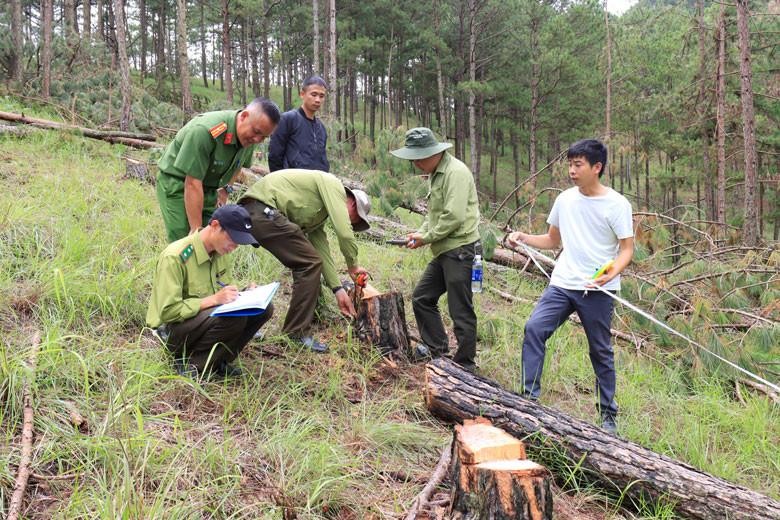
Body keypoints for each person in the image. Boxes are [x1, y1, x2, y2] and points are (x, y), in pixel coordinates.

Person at [507, 139, 634, 434]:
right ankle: (529, 400)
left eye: (578, 165)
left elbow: (627, 250)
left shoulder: (617, 205)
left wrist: (611, 272)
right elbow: (553, 241)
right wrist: (524, 237)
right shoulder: (565, 200)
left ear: (597, 167)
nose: (572, 171)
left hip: (597, 290)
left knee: (600, 350)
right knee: (534, 329)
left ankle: (608, 417)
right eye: (570, 164)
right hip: (562, 284)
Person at [238, 169, 371, 352]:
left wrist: (338, 290)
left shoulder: (318, 213)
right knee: (308, 263)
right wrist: (353, 265)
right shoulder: (334, 186)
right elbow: (344, 233)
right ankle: (296, 333)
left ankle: (243, 325)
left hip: (260, 211)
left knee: (309, 261)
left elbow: (321, 252)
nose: (351, 223)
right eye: (354, 220)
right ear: (354, 206)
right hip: (262, 209)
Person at [390, 128, 481, 372]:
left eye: (418, 158)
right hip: (444, 250)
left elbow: (453, 216)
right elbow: (434, 214)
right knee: (422, 297)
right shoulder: (435, 173)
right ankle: (437, 351)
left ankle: (466, 366)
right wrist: (420, 233)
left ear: (432, 152)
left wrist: (427, 238)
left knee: (460, 308)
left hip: (461, 250)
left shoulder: (456, 173)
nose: (416, 164)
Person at [146, 204, 274, 378]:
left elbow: (225, 291)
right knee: (233, 320)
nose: (234, 247)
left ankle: (219, 360)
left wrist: (246, 294)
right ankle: (191, 365)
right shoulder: (175, 257)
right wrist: (214, 300)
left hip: (202, 321)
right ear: (215, 226)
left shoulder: (220, 253)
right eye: (233, 239)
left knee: (264, 309)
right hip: (171, 331)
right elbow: (168, 312)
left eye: (239, 243)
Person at [156, 98, 281, 242]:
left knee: (214, 238)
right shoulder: (205, 131)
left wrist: (225, 190)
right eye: (256, 132)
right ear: (244, 116)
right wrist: (196, 231)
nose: (257, 139)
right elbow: (192, 183)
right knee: (185, 241)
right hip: (177, 183)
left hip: (208, 188)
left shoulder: (250, 137)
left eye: (264, 137)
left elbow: (238, 165)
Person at [268, 76, 329, 172]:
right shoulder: (288, 119)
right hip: (291, 182)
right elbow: (275, 155)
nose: (318, 100)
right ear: (302, 94)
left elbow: (322, 160)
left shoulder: (321, 129)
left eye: (321, 96)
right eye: (314, 94)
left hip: (316, 183)